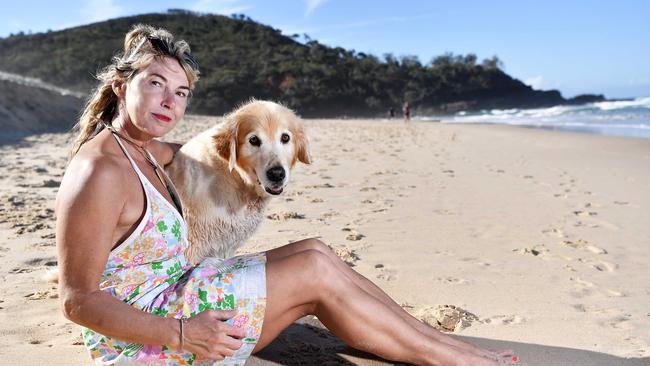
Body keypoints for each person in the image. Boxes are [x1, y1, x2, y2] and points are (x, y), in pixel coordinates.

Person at [56, 24, 520, 366]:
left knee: (317, 250)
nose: (169, 102)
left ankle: (444, 344)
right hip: (150, 341)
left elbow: (229, 144)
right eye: (155, 84)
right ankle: (455, 361)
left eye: (180, 93)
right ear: (121, 86)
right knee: (314, 272)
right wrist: (180, 332)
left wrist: (265, 145)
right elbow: (77, 300)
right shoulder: (100, 170)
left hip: (180, 294)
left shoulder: (150, 149)